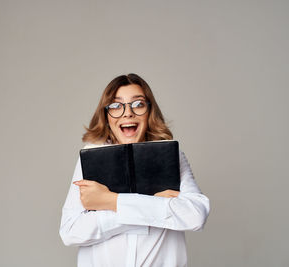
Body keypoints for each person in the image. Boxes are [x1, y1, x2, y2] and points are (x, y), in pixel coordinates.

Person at [59, 73, 210, 267]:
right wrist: (152, 205)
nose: (127, 113)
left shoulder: (173, 157)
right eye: (116, 106)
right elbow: (70, 232)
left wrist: (111, 201)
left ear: (149, 112)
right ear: (106, 116)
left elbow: (195, 215)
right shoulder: (90, 158)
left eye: (138, 104)